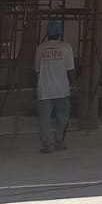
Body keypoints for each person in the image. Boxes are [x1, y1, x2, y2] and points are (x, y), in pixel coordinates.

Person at [35, 20, 75, 153]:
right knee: (63, 116)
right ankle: (58, 141)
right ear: (60, 33)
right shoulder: (66, 47)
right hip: (61, 89)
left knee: (45, 120)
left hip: (44, 89)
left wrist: (40, 84)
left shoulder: (41, 48)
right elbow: (70, 70)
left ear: (48, 33)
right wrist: (74, 83)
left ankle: (48, 145)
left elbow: (37, 70)